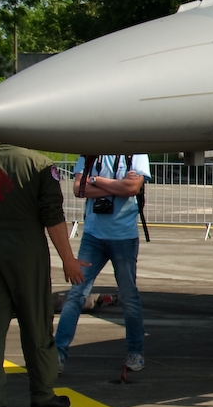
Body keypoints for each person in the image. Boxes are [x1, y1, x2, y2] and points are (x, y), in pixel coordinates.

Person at [0, 143, 87, 407]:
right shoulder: (41, 165)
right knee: (36, 325)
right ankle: (41, 394)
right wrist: (68, 258)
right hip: (27, 254)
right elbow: (53, 216)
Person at [55, 153, 151, 374]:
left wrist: (95, 180)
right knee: (76, 294)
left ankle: (135, 352)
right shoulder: (90, 152)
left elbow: (133, 188)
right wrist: (118, 186)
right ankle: (58, 353)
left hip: (124, 237)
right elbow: (79, 189)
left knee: (129, 296)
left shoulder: (135, 153)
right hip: (93, 237)